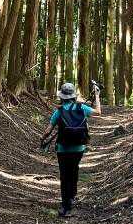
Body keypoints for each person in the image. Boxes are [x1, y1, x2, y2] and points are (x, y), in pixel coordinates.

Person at [40, 79, 100, 217]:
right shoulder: (82, 108)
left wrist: (42, 139)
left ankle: (65, 205)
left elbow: (48, 130)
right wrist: (97, 95)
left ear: (62, 97)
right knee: (74, 170)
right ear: (73, 96)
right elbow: (98, 112)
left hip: (63, 148)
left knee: (64, 175)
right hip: (79, 148)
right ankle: (72, 196)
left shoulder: (59, 111)